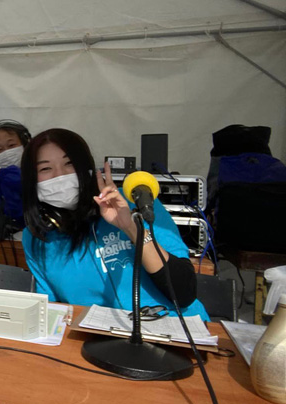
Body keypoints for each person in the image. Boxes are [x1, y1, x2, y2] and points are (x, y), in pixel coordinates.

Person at [20, 128, 208, 320]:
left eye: (70, 163)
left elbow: (184, 294)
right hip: (97, 341)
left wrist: (131, 228)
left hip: (175, 333)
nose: (59, 175)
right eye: (45, 169)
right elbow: (51, 311)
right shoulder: (36, 237)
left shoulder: (134, 203)